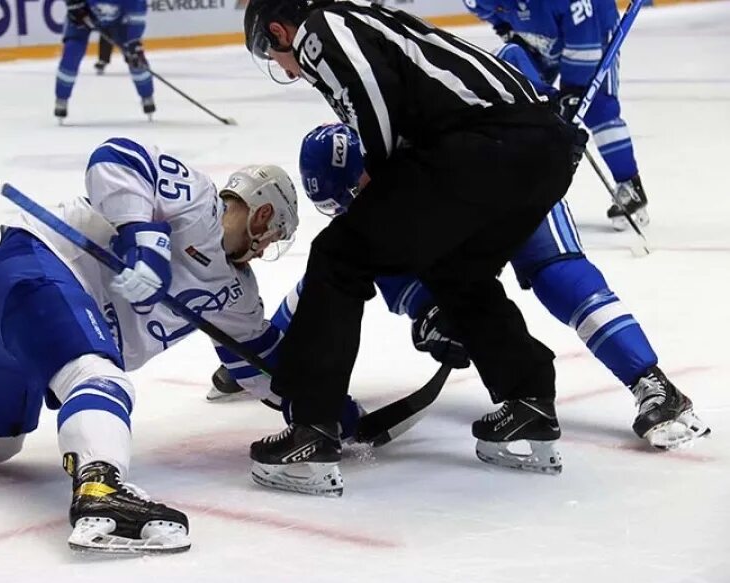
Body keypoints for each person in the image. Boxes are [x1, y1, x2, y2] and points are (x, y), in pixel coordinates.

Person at [0, 138, 299, 554]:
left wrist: (323, 410)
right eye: (273, 235)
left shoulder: (239, 296)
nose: (265, 249)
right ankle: (100, 488)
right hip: (33, 270)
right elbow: (115, 157)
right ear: (261, 214)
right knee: (100, 377)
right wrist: (146, 243)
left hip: (11, 318)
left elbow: (260, 365)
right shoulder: (195, 200)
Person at [242, 0, 588, 496]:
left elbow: (372, 95)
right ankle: (528, 402)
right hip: (544, 152)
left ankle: (311, 431)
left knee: (339, 256)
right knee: (456, 269)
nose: (283, 66)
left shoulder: (323, 26)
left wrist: (381, 178)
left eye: (273, 54)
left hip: (488, 145)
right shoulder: (368, 19)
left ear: (280, 30)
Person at [212, 123, 708, 453]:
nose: (352, 208)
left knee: (558, 275)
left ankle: (654, 384)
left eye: (353, 196)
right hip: (455, 220)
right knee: (345, 264)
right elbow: (325, 285)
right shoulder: (374, 193)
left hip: (507, 192)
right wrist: (264, 350)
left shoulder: (417, 149)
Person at [463, 0, 649, 230]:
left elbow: (585, 43)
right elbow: (489, 12)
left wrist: (572, 92)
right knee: (513, 83)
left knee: (596, 106)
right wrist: (507, 28)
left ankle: (629, 184)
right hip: (538, 32)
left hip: (593, 29)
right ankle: (513, 185)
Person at [55, 1, 154, 120]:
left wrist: (134, 45)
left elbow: (135, 24)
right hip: (83, 14)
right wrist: (74, 5)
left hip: (118, 23)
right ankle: (62, 97)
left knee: (136, 59)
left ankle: (147, 95)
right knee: (72, 52)